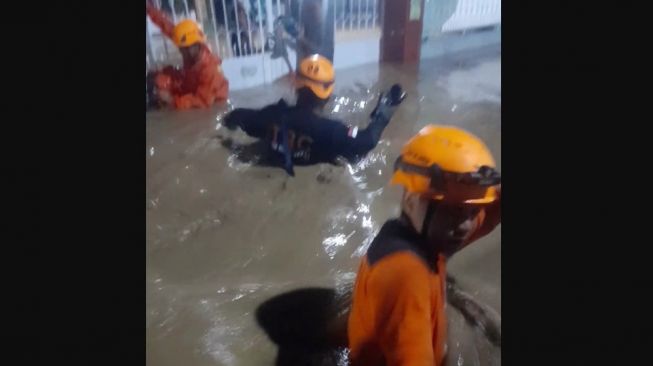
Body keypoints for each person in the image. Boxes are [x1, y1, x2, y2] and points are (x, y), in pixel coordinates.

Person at [347, 125, 502, 365]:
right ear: (411, 199)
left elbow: (491, 214)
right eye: (454, 211)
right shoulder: (406, 274)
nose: (465, 226)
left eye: (473, 212)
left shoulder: (428, 241)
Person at [223, 54, 405, 176]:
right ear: (327, 95)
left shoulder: (271, 115)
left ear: (297, 86)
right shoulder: (329, 130)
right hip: (310, 177)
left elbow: (235, 117)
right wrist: (385, 111)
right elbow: (368, 141)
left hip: (265, 167)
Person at [146, 1, 229, 110]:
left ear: (192, 48)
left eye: (182, 49)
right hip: (191, 83)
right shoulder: (189, 44)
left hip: (210, 101)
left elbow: (202, 102)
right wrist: (149, 9)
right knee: (158, 78)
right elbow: (167, 26)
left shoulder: (210, 69)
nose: (180, 51)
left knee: (166, 93)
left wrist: (171, 100)